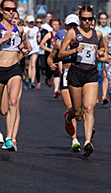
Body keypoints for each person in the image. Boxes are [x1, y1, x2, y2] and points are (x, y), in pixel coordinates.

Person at [59, 6, 109, 157]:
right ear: (79, 19)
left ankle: (87, 142)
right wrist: (74, 50)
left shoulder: (98, 34)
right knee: (78, 113)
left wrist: (101, 53)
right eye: (84, 19)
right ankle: (69, 117)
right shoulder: (72, 33)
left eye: (90, 19)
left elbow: (103, 51)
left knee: (89, 108)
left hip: (91, 74)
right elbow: (61, 53)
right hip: (75, 74)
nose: (87, 22)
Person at [0, 0, 27, 151]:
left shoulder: (19, 30)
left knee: (13, 102)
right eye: (7, 9)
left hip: (14, 69)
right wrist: (3, 39)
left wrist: (24, 49)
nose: (11, 11)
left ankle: (10, 139)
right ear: (1, 11)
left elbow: (21, 45)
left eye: (13, 9)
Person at [47, 14, 81, 152]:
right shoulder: (59, 43)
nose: (72, 28)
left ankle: (74, 118)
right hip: (66, 75)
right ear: (65, 26)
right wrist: (51, 64)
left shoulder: (83, 41)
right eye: (69, 26)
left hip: (81, 76)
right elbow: (50, 58)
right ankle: (74, 139)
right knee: (71, 107)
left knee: (81, 110)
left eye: (75, 26)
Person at [95, 12, 111, 105]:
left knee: (105, 75)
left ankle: (104, 96)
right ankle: (95, 92)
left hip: (107, 53)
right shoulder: (96, 29)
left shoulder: (109, 29)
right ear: (99, 19)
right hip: (98, 53)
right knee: (97, 74)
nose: (103, 20)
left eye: (105, 19)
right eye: (102, 18)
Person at [23, 15, 40, 90]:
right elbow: (22, 38)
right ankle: (27, 79)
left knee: (33, 65)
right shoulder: (24, 29)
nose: (31, 24)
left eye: (32, 22)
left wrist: (39, 39)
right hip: (27, 49)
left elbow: (38, 36)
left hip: (34, 49)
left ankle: (32, 82)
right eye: (30, 22)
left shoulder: (36, 29)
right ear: (27, 22)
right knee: (26, 66)